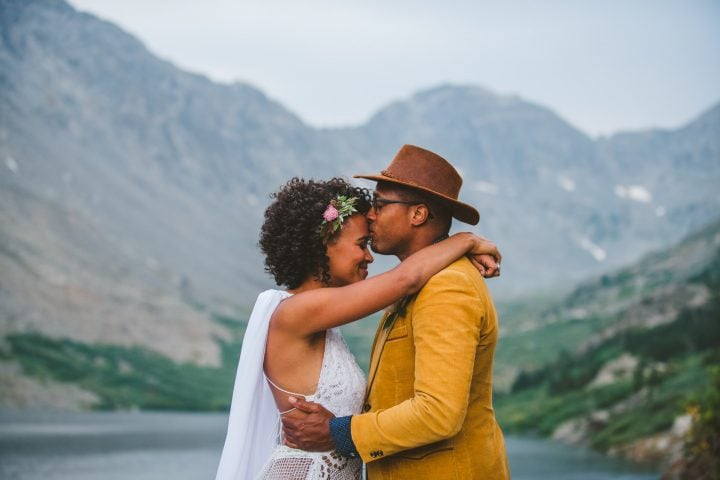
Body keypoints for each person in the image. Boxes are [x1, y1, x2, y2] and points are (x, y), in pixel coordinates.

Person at [214, 176, 501, 480]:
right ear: (324, 243)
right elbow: (405, 279)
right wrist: (465, 240)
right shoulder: (299, 311)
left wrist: (340, 431)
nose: (369, 256)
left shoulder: (320, 318)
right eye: (361, 244)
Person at [282, 145, 510, 479]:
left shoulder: (447, 287)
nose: (370, 215)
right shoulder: (420, 282)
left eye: (380, 204)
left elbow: (438, 413)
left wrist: (338, 432)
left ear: (418, 214)